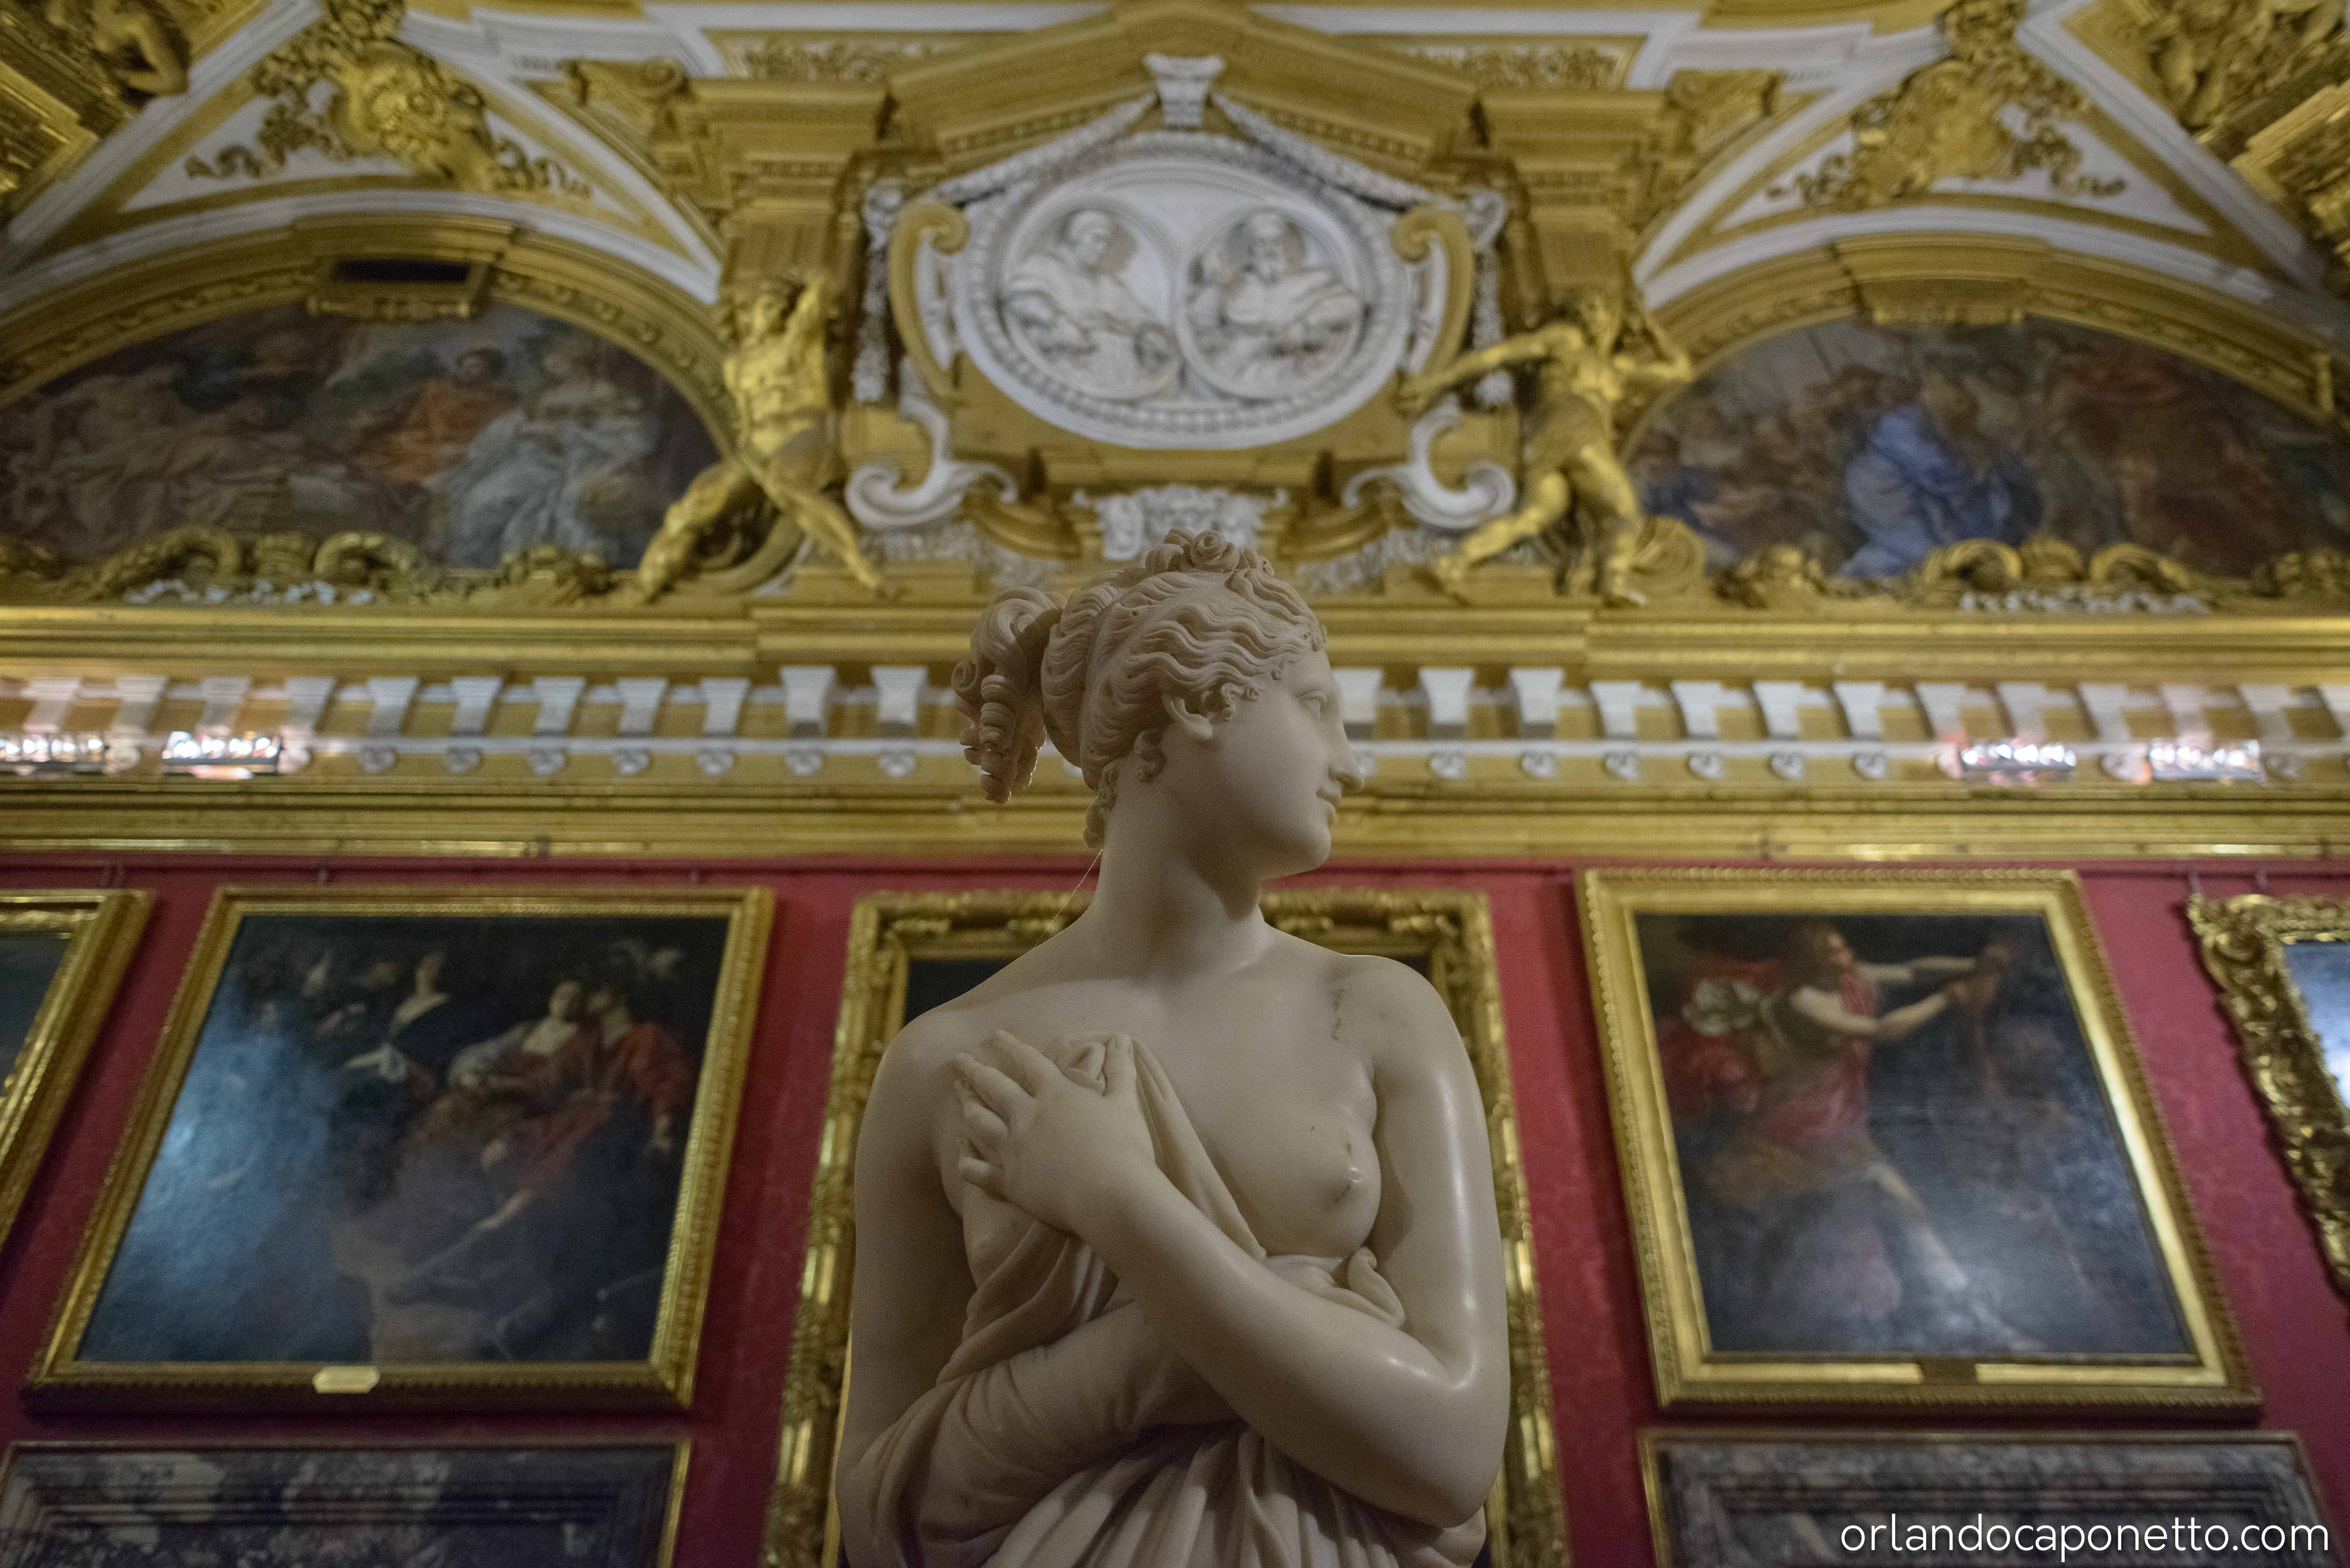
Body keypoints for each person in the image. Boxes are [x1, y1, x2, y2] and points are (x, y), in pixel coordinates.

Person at [840, 531, 1507, 1568]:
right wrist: (1226, 1338)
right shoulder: (949, 1061)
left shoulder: (1377, 1012)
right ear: (1195, 703)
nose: (1349, 762)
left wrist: (1114, 1196)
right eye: (1317, 706)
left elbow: (1454, 1455)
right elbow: (884, 1513)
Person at [1658, 919, 2029, 1352]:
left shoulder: (1851, 979)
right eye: (1834, 952)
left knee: (1876, 1212)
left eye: (1844, 948)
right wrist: (1946, 998)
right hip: (1801, 1126)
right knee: (1861, 1212)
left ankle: (1967, 1315)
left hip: (1835, 1121)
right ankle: (1969, 1316)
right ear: (1811, 958)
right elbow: (1882, 1030)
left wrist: (1974, 965)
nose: (1845, 957)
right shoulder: (1803, 1000)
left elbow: (1913, 970)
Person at [1398, 286, 1694, 604]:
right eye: (1587, 309)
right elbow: (1498, 354)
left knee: (1535, 517)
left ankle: (1456, 560)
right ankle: (1612, 581)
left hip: (1546, 441)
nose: (1594, 318)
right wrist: (1437, 381)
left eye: (1602, 310)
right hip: (1575, 427)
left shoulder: (1619, 370)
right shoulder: (1567, 341)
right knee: (1622, 512)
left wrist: (1650, 327)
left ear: (1617, 319)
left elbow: (1680, 371)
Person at [1840, 372, 2041, 579]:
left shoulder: (1929, 426)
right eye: (1956, 393)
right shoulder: (1901, 425)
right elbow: (1942, 478)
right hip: (1893, 508)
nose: (1961, 401)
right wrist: (1974, 466)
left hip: (1913, 514)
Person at [1002, 210, 1177, 399]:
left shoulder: (1108, 285)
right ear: (1076, 236)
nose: (1101, 249)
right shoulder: (1045, 268)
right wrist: (1058, 322)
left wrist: (1150, 333)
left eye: (1106, 243)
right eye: (1097, 239)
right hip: (1073, 373)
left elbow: (1140, 316)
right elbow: (1021, 297)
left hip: (1119, 379)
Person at [1184, 210, 1363, 396]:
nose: (1268, 249)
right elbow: (1200, 323)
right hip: (1238, 371)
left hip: (1292, 367)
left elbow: (1351, 306)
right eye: (1260, 243)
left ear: (1288, 246)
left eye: (1275, 241)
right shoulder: (1234, 286)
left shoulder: (1314, 282)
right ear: (1251, 251)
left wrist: (1305, 324)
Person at [350, 348, 518, 489]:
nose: (468, 369)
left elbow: (491, 432)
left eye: (477, 367)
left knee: (440, 458)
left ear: (488, 373)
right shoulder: (437, 388)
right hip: (423, 438)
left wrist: (462, 447)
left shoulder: (493, 401)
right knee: (401, 444)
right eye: (467, 364)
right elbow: (411, 416)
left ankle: (409, 485)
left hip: (458, 446)